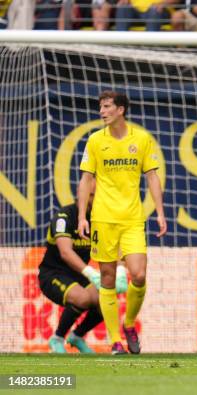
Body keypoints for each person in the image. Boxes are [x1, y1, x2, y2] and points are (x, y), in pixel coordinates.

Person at [77, 90, 167, 355]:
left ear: (121, 109)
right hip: (103, 219)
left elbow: (151, 176)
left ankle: (129, 325)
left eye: (106, 107)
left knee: (138, 274)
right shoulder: (94, 141)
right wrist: (83, 215)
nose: (101, 111)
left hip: (132, 219)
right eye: (100, 107)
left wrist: (160, 212)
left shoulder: (141, 139)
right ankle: (115, 340)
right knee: (106, 279)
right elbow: (85, 179)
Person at [38, 187, 128, 354]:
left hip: (79, 275)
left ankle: (77, 336)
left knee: (107, 299)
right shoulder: (64, 217)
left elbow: (116, 247)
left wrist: (122, 270)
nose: (99, 200)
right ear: (83, 196)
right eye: (94, 195)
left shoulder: (99, 219)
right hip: (53, 274)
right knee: (83, 298)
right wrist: (91, 273)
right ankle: (57, 338)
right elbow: (65, 252)